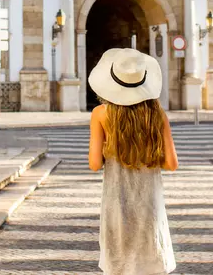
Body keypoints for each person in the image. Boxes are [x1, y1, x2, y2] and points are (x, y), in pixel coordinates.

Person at [88, 48, 178, 275]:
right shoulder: (157, 114)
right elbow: (171, 163)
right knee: (150, 263)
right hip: (149, 204)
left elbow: (95, 163)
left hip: (116, 202)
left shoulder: (101, 114)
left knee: (119, 264)